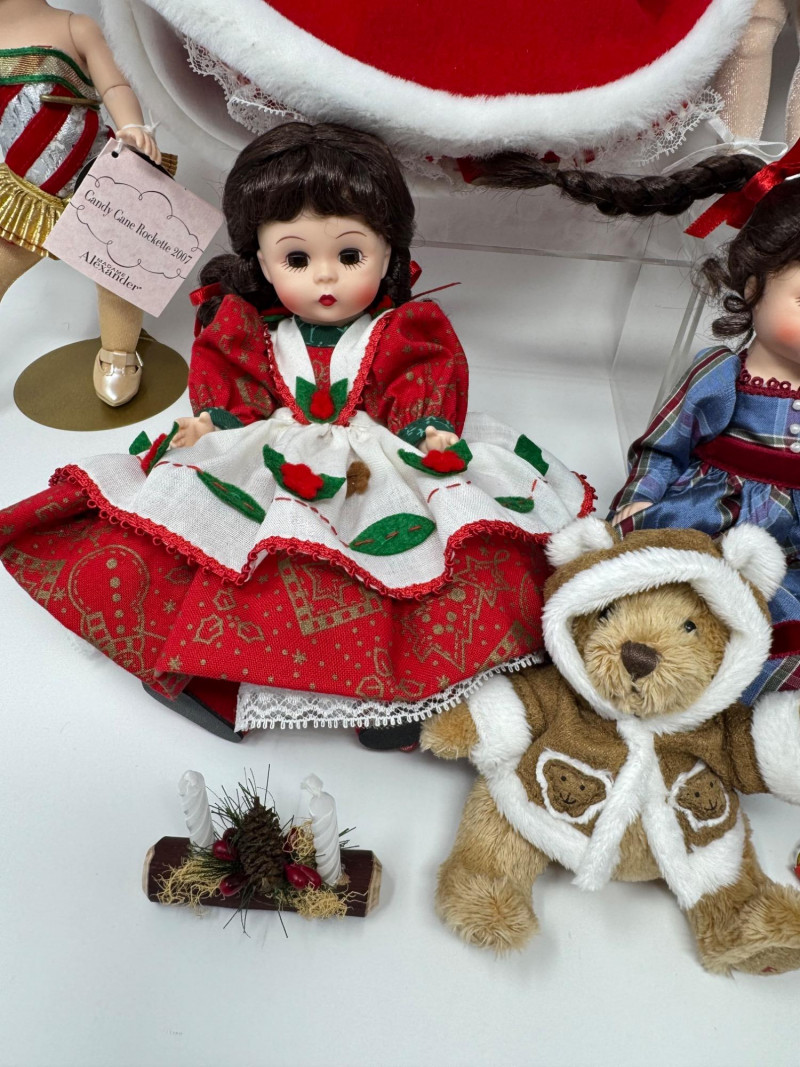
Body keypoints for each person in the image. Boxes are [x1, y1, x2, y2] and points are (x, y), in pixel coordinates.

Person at [0, 121, 595, 747]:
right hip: (276, 448)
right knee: (229, 548)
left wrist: (430, 431)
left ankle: (396, 696)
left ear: (388, 254)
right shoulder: (248, 331)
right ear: (261, 261)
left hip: (372, 453)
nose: (325, 278)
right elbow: (238, 399)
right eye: (297, 259)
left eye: (350, 256)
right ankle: (213, 680)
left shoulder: (402, 331)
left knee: (401, 560)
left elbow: (413, 390)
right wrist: (210, 422)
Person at [609, 154, 800, 702]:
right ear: (753, 288)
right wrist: (639, 496)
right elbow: (663, 447)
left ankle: (744, 704)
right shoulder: (722, 374)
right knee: (672, 598)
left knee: (775, 621)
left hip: (789, 545)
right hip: (712, 517)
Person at [1, 0, 161, 405]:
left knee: (118, 263)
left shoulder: (76, 27)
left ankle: (119, 351)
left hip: (92, 172)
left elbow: (115, 87)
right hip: (23, 187)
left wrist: (133, 126)